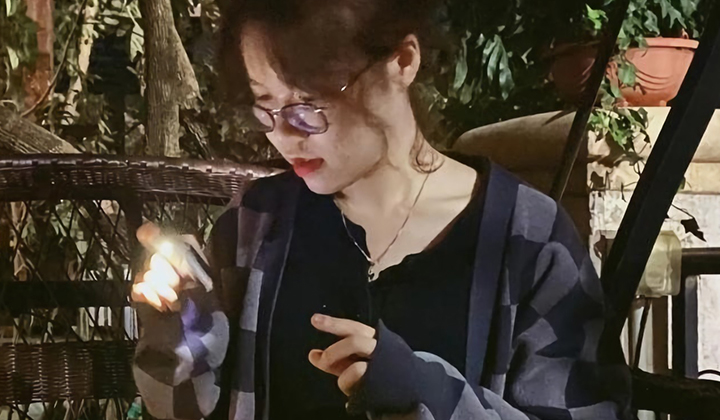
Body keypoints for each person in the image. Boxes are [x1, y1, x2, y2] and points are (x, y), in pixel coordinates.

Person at [131, 0, 632, 419]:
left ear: (401, 61)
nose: (283, 135)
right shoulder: (256, 225)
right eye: (265, 106)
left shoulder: (526, 239)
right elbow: (182, 409)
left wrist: (425, 393)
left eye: (308, 105)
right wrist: (181, 327)